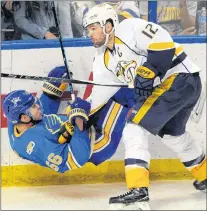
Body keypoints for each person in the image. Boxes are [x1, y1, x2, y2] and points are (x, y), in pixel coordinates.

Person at [83, 3, 206, 210]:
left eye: (93, 28)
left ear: (108, 25)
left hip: (178, 79)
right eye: (88, 30)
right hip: (180, 87)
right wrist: (81, 114)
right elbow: (100, 95)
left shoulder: (130, 27)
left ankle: (138, 192)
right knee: (172, 134)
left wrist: (150, 69)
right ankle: (204, 176)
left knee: (133, 127)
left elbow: (162, 39)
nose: (90, 34)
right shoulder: (102, 60)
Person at [2, 66, 136, 174]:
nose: (38, 106)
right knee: (124, 94)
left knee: (113, 79)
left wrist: (50, 95)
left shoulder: (18, 121)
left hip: (84, 124)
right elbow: (76, 160)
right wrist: (78, 123)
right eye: (34, 107)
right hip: (96, 143)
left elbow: (44, 121)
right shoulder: (37, 144)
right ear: (24, 117)